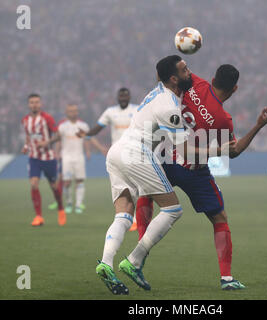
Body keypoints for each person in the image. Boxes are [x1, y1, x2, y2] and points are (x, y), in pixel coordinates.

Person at [134, 65, 267, 290]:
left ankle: (140, 250)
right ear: (235, 89)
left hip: (166, 155)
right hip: (193, 168)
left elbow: (165, 75)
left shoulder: (195, 83)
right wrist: (258, 125)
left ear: (213, 77)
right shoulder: (223, 119)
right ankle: (226, 278)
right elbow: (234, 151)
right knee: (219, 218)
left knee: (147, 192)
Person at [78, 55, 192, 295]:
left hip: (116, 151)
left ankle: (106, 263)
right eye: (184, 69)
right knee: (173, 210)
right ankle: (135, 260)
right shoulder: (169, 106)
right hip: (136, 152)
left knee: (123, 215)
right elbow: (185, 149)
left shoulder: (156, 91)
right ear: (173, 78)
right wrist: (223, 149)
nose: (189, 72)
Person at [77, 88, 141, 230]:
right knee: (119, 188)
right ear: (117, 97)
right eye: (121, 95)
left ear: (129, 96)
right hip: (116, 155)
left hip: (133, 152)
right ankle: (123, 217)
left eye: (126, 95)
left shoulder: (138, 110)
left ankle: (136, 218)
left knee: (135, 187)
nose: (123, 97)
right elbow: (98, 128)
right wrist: (86, 135)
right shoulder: (110, 112)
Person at [38, 104, 106, 214]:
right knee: (67, 182)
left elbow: (89, 138)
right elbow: (58, 139)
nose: (73, 113)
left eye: (74, 111)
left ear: (77, 112)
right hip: (67, 157)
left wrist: (99, 148)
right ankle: (69, 203)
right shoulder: (63, 126)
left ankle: (78, 205)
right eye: (70, 111)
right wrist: (56, 151)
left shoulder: (83, 125)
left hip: (79, 156)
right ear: (66, 112)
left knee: (80, 180)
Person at [21, 93, 66, 227]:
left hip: (48, 158)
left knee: (54, 187)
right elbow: (28, 137)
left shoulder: (47, 118)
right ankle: (39, 217)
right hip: (34, 158)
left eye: (36, 102)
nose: (34, 104)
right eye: (32, 102)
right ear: (29, 104)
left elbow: (58, 136)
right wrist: (25, 146)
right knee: (34, 184)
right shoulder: (25, 120)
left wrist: (47, 142)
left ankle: (60, 208)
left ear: (40, 104)